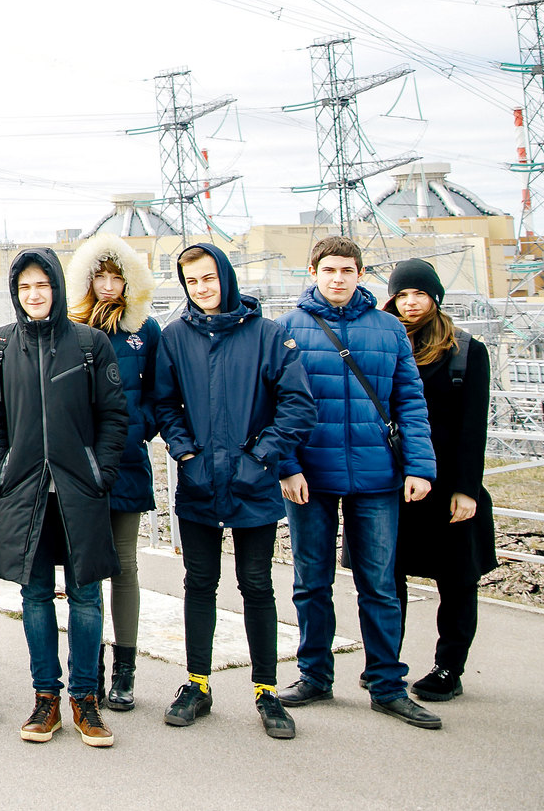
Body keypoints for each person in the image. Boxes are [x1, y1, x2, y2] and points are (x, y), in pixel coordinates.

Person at [153, 244, 316, 740]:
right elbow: (163, 402)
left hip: (253, 484)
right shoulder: (175, 337)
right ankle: (197, 684)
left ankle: (266, 691)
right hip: (200, 482)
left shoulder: (268, 335)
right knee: (199, 583)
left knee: (256, 585)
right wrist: (185, 453)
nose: (202, 288)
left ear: (225, 276)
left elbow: (297, 405)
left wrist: (260, 456)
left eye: (209, 278)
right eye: (192, 282)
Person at [277, 237, 440, 729]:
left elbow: (410, 402)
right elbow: (275, 402)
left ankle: (387, 684)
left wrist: (420, 467)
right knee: (311, 582)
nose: (339, 278)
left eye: (348, 270)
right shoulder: (287, 328)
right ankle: (314, 674)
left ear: (361, 274)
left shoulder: (388, 329)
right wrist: (286, 465)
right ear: (313, 271)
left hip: (376, 475)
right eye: (329, 269)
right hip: (311, 475)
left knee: (380, 585)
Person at [0, 249, 126, 748]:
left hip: (78, 491)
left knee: (85, 595)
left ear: (58, 289)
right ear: (15, 295)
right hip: (24, 490)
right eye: (25, 288)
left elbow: (113, 415)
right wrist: (1, 469)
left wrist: (99, 471)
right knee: (34, 595)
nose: (34, 295)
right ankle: (46, 698)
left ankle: (86, 699)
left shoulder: (89, 343)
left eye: (43, 285)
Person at [387, 258, 496, 704]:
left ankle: (449, 667)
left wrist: (467, 489)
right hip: (392, 482)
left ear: (435, 297)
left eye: (419, 294)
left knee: (455, 581)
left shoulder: (466, 351)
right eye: (403, 295)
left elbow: (474, 427)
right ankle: (385, 663)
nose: (410, 303)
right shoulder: (381, 342)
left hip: (448, 484)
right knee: (385, 579)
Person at [66, 234, 161, 712]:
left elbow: (160, 394)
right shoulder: (69, 329)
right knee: (87, 571)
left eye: (115, 277)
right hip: (79, 466)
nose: (107, 285)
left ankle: (125, 670)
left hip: (126, 460)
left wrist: (139, 428)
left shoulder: (146, 330)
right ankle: (92, 666)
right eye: (98, 276)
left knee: (124, 564)